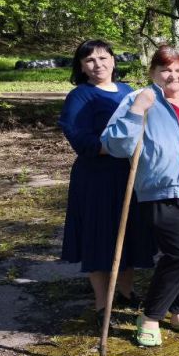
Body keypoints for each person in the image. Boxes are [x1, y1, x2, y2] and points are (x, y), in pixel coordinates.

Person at [102, 46, 179, 347]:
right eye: (165, 70)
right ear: (153, 73)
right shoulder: (139, 99)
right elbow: (115, 145)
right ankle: (150, 316)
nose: (173, 75)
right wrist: (136, 111)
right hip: (165, 191)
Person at [60, 39, 155, 330]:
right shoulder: (80, 97)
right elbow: (78, 137)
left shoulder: (129, 92)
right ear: (81, 67)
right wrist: (113, 147)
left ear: (113, 60)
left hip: (129, 173)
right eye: (89, 60)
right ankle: (103, 303)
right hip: (96, 177)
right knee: (100, 235)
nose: (98, 65)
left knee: (127, 234)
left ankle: (126, 292)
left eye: (103, 58)